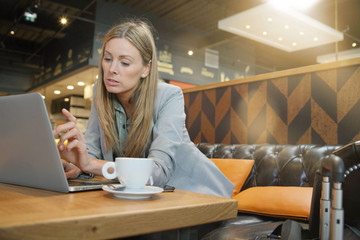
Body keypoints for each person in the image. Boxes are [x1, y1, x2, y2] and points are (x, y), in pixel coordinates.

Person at [53, 19, 234, 198]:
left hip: (193, 194)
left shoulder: (170, 96)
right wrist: (77, 165)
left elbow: (158, 173)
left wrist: (90, 165)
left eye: (125, 63)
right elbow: (92, 153)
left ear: (146, 69)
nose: (112, 69)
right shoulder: (99, 92)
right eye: (107, 59)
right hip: (139, 196)